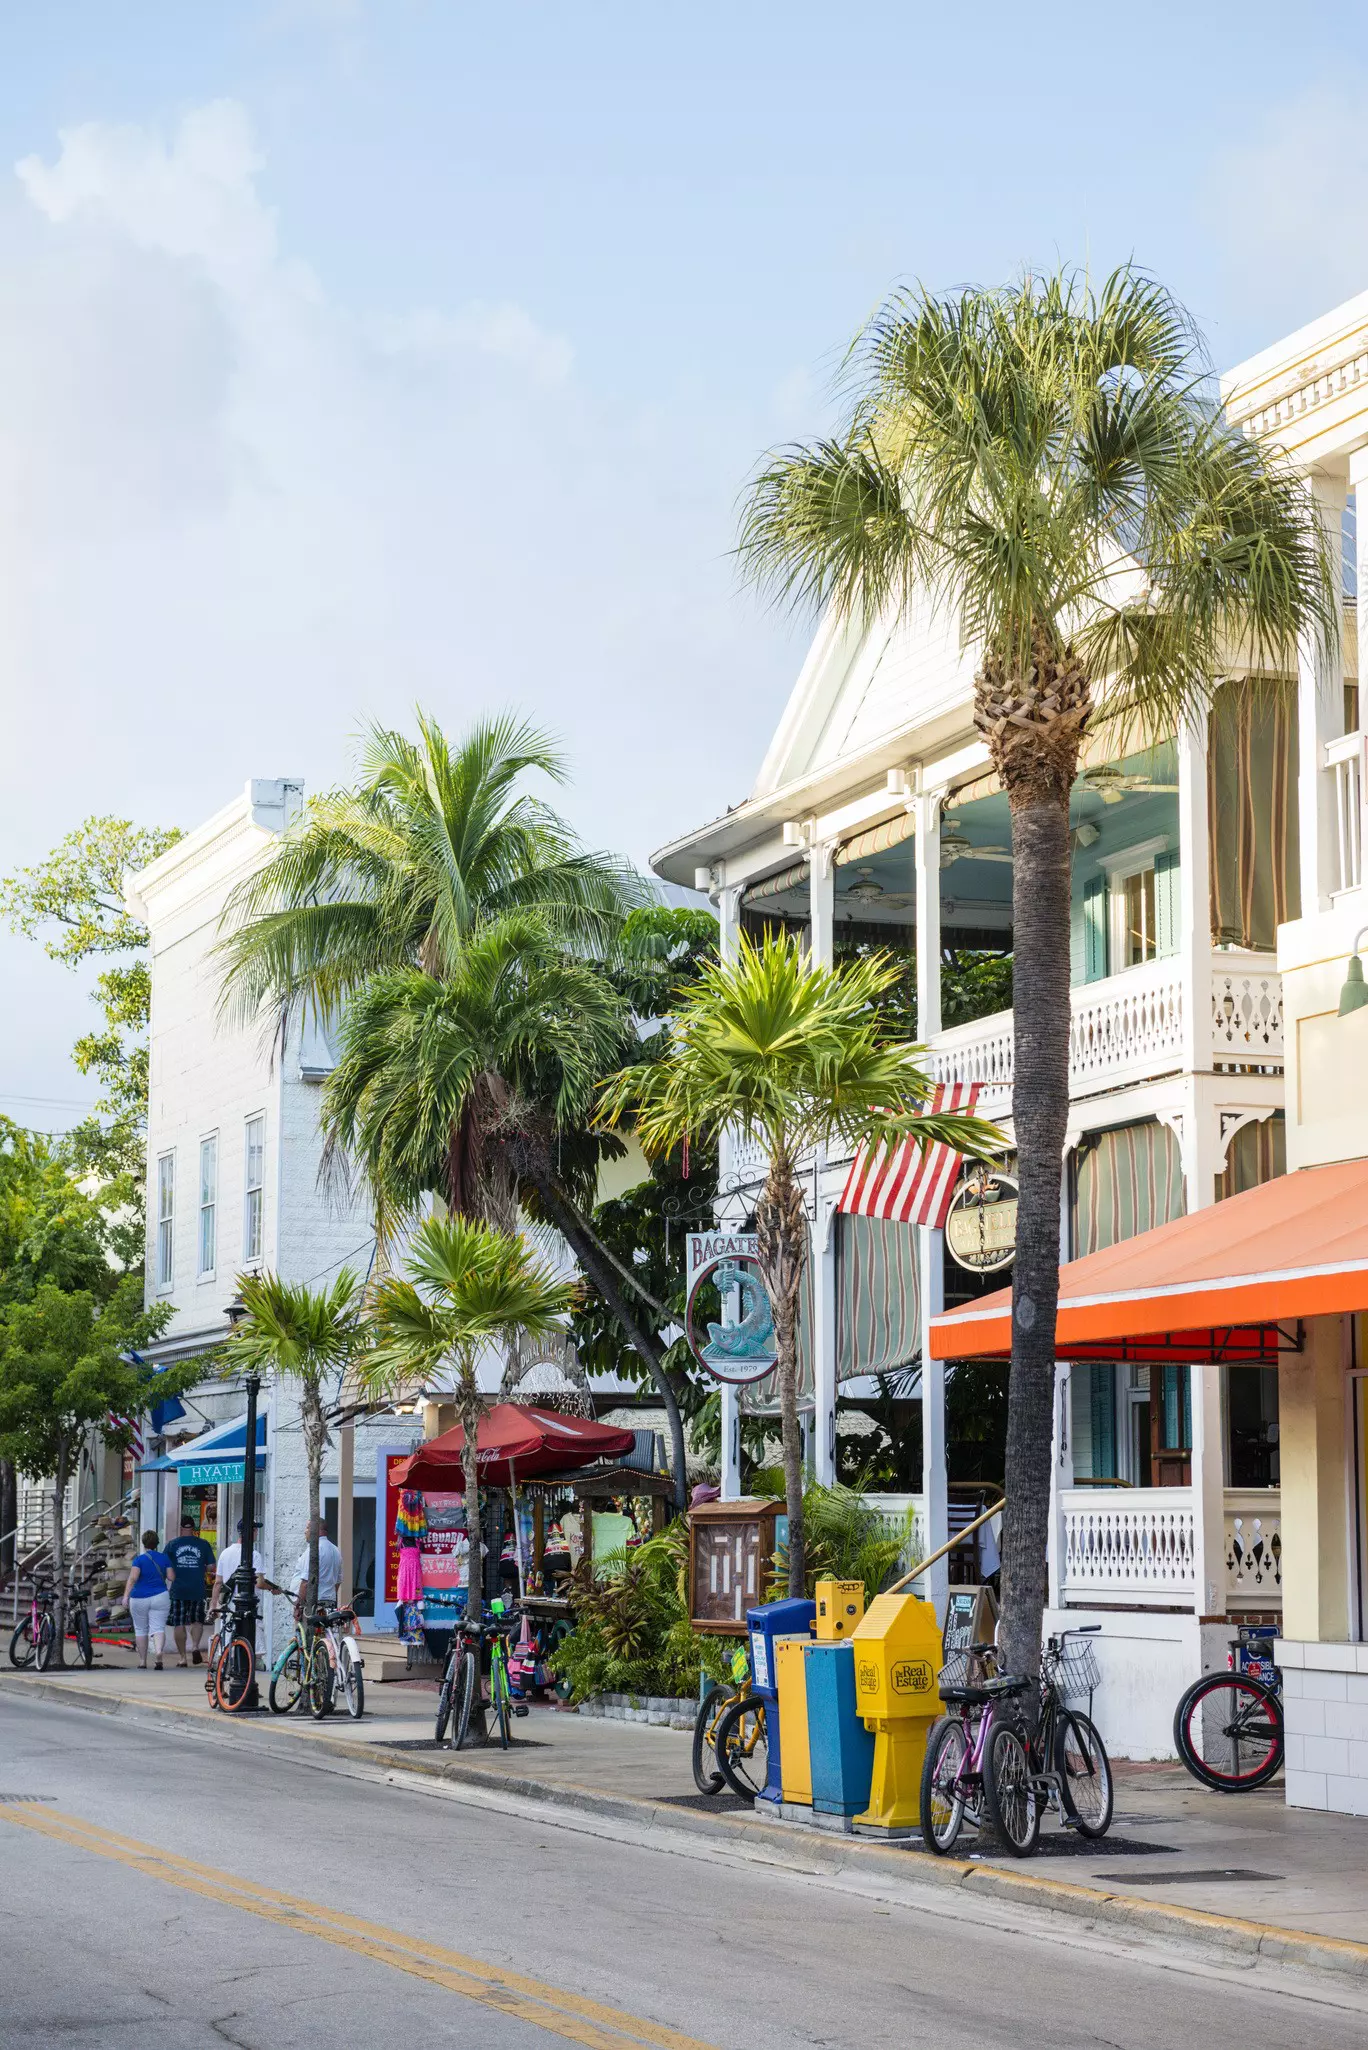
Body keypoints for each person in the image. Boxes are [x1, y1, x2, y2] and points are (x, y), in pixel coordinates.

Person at [165, 1513, 217, 1668]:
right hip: (197, 1588)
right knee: (197, 1621)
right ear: (193, 1528)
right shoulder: (203, 1544)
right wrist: (200, 1567)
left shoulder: (172, 1545)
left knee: (179, 1623)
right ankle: (195, 1647)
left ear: (181, 1528)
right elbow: (211, 1567)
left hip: (178, 1589)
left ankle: (182, 1658)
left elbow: (165, 1566)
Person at [122, 1530, 172, 1670]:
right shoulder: (164, 1558)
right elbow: (171, 1577)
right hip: (160, 1596)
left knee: (140, 1629)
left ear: (143, 1543)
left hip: (139, 1598)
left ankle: (142, 1661)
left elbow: (133, 1579)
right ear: (157, 1543)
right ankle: (158, 1652)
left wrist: (125, 1596)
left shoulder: (139, 1560)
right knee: (158, 1627)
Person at [291, 1517, 344, 1620]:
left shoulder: (313, 1551)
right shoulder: (336, 1550)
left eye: (308, 1527)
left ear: (315, 1530)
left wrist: (299, 1607)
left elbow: (305, 1583)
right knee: (325, 1629)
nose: (305, 1531)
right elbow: (337, 1582)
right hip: (329, 1603)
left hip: (312, 1605)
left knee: (308, 1630)